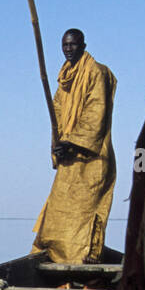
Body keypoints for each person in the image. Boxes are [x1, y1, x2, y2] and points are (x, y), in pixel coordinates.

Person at [31, 29, 117, 264]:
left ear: (83, 45)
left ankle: (88, 256)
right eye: (65, 45)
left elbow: (95, 113)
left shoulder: (97, 72)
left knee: (89, 208)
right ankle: (58, 257)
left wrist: (72, 142)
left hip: (92, 155)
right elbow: (57, 116)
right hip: (70, 156)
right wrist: (58, 145)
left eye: (73, 45)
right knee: (59, 206)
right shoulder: (64, 80)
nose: (68, 50)